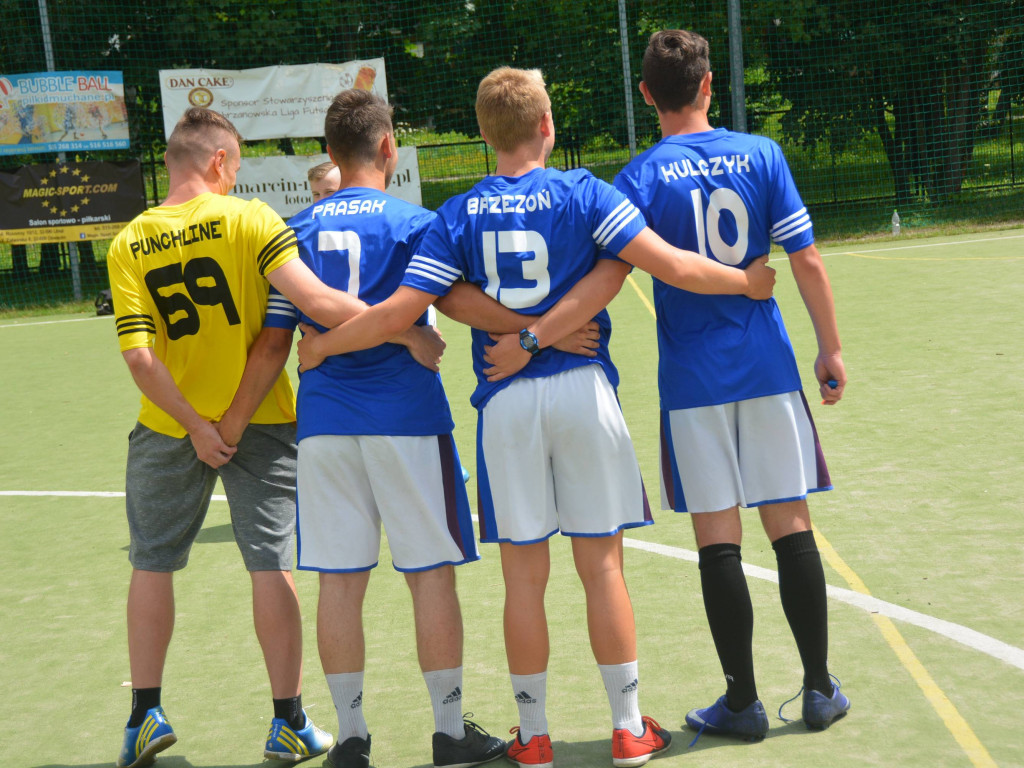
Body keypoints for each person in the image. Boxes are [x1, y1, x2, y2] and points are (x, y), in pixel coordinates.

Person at [295, 67, 775, 768]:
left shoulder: (457, 214)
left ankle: (534, 736)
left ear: (486, 134)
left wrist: (332, 345)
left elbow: (428, 305)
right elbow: (662, 263)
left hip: (505, 399)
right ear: (547, 126)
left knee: (524, 577)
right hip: (582, 389)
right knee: (602, 567)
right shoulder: (584, 191)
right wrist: (745, 280)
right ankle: (627, 727)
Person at [105, 106, 441, 768]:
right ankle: (287, 721)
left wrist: (198, 426)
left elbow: (141, 359)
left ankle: (144, 713)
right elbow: (305, 312)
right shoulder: (251, 219)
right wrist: (404, 328)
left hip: (168, 425)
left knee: (151, 561)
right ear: (220, 163)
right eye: (234, 167)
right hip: (259, 418)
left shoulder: (127, 243)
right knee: (271, 564)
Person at [612, 29, 851, 742]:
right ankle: (817, 690)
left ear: (648, 92)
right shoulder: (761, 154)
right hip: (768, 368)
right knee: (790, 524)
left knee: (718, 540)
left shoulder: (642, 176)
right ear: (709, 84)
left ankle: (741, 702)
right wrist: (830, 349)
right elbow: (805, 261)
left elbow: (608, 275)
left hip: (692, 381)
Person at [276, 89, 506, 768]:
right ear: (387, 149)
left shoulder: (294, 233)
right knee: (431, 575)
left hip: (322, 424)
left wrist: (313, 354)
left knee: (339, 583)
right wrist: (539, 328)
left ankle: (350, 739)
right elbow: (462, 304)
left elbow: (275, 345)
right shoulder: (417, 222)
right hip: (407, 418)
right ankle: (449, 732)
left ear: (330, 154)